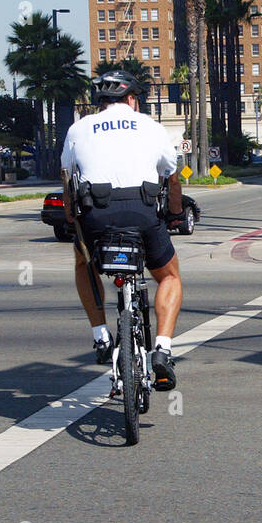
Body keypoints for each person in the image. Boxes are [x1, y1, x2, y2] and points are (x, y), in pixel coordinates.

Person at [61, 70, 184, 389]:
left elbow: (67, 179)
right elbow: (171, 175)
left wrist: (74, 224)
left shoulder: (78, 129)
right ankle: (163, 349)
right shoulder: (152, 128)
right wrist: (174, 214)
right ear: (131, 99)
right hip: (142, 213)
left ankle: (100, 335)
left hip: (96, 215)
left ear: (101, 102)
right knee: (169, 276)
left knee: (82, 263)